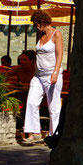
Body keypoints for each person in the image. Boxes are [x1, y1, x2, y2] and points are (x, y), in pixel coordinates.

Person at [23, 10, 64, 143]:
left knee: (54, 107)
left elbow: (60, 54)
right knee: (31, 102)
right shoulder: (41, 37)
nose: (35, 26)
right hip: (38, 76)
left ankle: (54, 135)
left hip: (51, 74)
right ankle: (34, 133)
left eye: (36, 24)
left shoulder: (56, 34)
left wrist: (56, 72)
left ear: (42, 22)